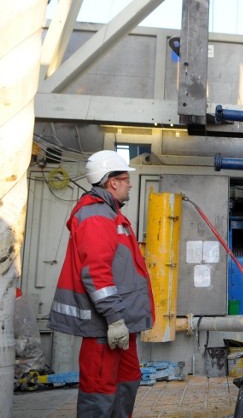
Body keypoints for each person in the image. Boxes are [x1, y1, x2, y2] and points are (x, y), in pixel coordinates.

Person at [48, 150, 155, 417]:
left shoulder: (110, 214)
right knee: (99, 392)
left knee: (127, 382)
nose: (130, 184)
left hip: (121, 326)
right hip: (106, 327)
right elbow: (96, 272)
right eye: (125, 178)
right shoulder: (97, 215)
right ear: (112, 182)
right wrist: (114, 318)